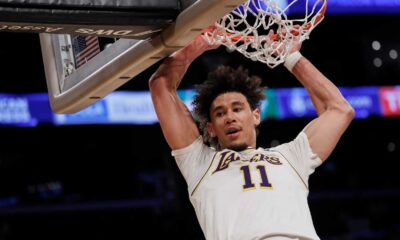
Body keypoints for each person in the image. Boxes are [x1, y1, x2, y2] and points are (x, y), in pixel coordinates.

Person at [149, 33, 355, 240]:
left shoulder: (291, 157)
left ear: (256, 115)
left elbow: (339, 110)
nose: (229, 117)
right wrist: (196, 46)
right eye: (220, 113)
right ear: (210, 128)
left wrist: (292, 57)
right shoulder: (200, 163)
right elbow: (160, 85)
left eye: (237, 109)